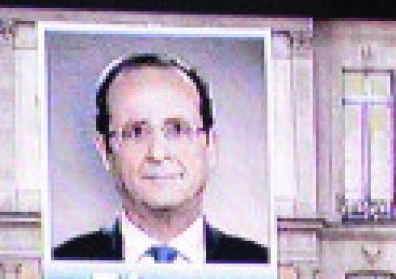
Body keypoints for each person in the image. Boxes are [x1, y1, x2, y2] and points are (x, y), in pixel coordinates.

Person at [52, 53, 268, 264]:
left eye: (177, 129)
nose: (157, 154)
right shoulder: (60, 268)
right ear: (105, 150)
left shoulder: (262, 268)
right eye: (136, 132)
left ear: (210, 145)